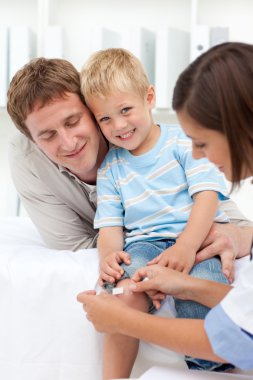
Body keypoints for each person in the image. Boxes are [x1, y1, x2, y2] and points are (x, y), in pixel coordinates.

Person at [77, 42, 253, 372]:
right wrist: (108, 259)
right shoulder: (112, 167)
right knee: (123, 290)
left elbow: (206, 197)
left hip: (196, 238)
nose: (118, 126)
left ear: (149, 97)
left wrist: (187, 247)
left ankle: (209, 368)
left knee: (205, 274)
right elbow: (111, 226)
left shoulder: (181, 143)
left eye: (125, 111)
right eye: (105, 118)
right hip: (145, 244)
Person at [6, 57, 252, 273]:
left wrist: (236, 236)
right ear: (32, 140)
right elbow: (73, 246)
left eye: (73, 121)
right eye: (48, 136)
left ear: (92, 110)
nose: (69, 143)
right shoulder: (25, 156)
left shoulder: (140, 142)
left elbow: (228, 218)